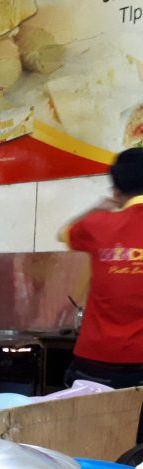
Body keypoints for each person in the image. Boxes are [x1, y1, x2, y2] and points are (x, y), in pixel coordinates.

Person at [61, 148, 143, 388]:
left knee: (90, 425)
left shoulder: (97, 224)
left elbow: (64, 233)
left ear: (117, 189)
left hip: (94, 363)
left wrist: (101, 206)